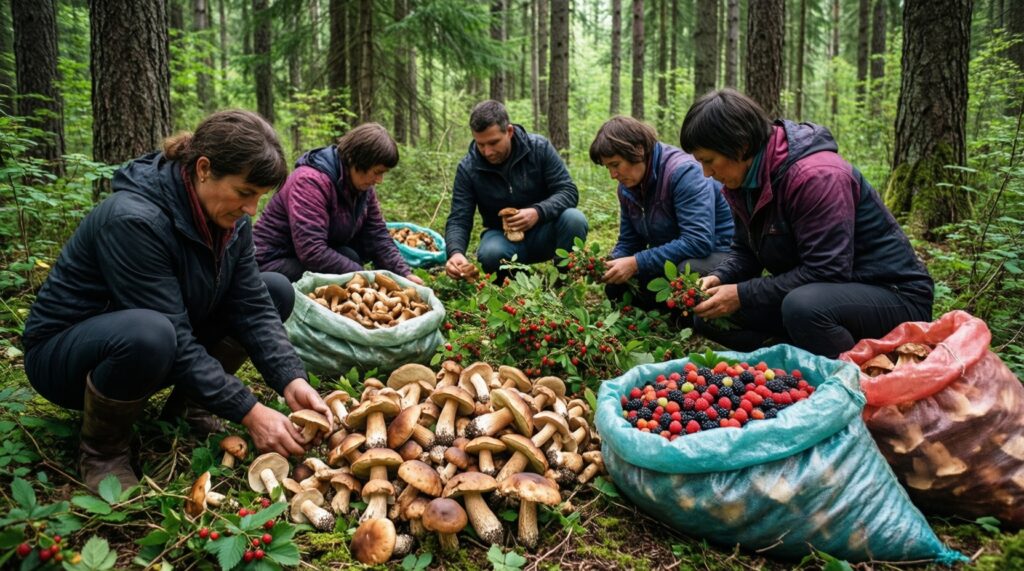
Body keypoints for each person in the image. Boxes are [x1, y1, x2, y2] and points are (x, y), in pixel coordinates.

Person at [21, 110, 332, 493]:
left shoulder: (229, 220)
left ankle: (192, 408)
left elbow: (252, 304)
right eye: (244, 193)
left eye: (259, 197)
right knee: (151, 333)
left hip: (160, 337)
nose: (252, 209)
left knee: (275, 288)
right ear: (204, 169)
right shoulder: (133, 220)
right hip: (68, 357)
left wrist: (291, 377)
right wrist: (249, 411)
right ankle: (102, 451)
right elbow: (176, 337)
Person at [679, 89, 934, 358]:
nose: (707, 173)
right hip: (827, 295)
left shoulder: (816, 176)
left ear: (740, 146)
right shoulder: (744, 179)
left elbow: (828, 270)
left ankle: (856, 377)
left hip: (892, 295)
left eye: (709, 161)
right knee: (709, 315)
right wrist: (721, 278)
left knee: (802, 308)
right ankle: (795, 362)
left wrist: (741, 294)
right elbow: (745, 251)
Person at [589, 116, 734, 309]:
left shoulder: (684, 173)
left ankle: (691, 316)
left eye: (615, 164)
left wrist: (636, 263)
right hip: (672, 259)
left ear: (638, 150)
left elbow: (698, 241)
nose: (612, 175)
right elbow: (630, 241)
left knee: (686, 274)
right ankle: (672, 312)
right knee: (617, 289)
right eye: (608, 167)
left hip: (719, 255)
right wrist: (611, 263)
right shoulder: (627, 187)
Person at [254, 123, 423, 284]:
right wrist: (364, 276)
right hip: (270, 262)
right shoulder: (310, 182)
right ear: (355, 160)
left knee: (349, 256)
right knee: (348, 269)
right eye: (377, 172)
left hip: (298, 256)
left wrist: (404, 273)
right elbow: (312, 250)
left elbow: (377, 234)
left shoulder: (362, 188)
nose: (379, 180)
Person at [444, 100, 588, 281]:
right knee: (490, 253)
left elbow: (568, 191)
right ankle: (514, 287)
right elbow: (459, 218)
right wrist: (455, 252)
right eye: (481, 144)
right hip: (502, 239)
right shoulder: (468, 168)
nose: (487, 152)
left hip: (543, 231)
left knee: (574, 219)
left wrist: (538, 212)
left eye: (494, 142)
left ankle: (564, 282)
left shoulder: (539, 148)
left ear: (509, 132)